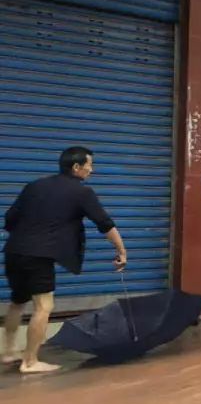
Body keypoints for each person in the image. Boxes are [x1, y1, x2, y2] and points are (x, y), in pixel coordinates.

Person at [3, 146, 127, 373]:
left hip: (14, 250)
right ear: (77, 167)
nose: (92, 170)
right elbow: (104, 223)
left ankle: (9, 352)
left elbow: (10, 218)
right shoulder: (82, 193)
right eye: (89, 165)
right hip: (39, 255)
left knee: (18, 302)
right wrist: (121, 250)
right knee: (44, 306)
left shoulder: (34, 185)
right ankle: (30, 361)